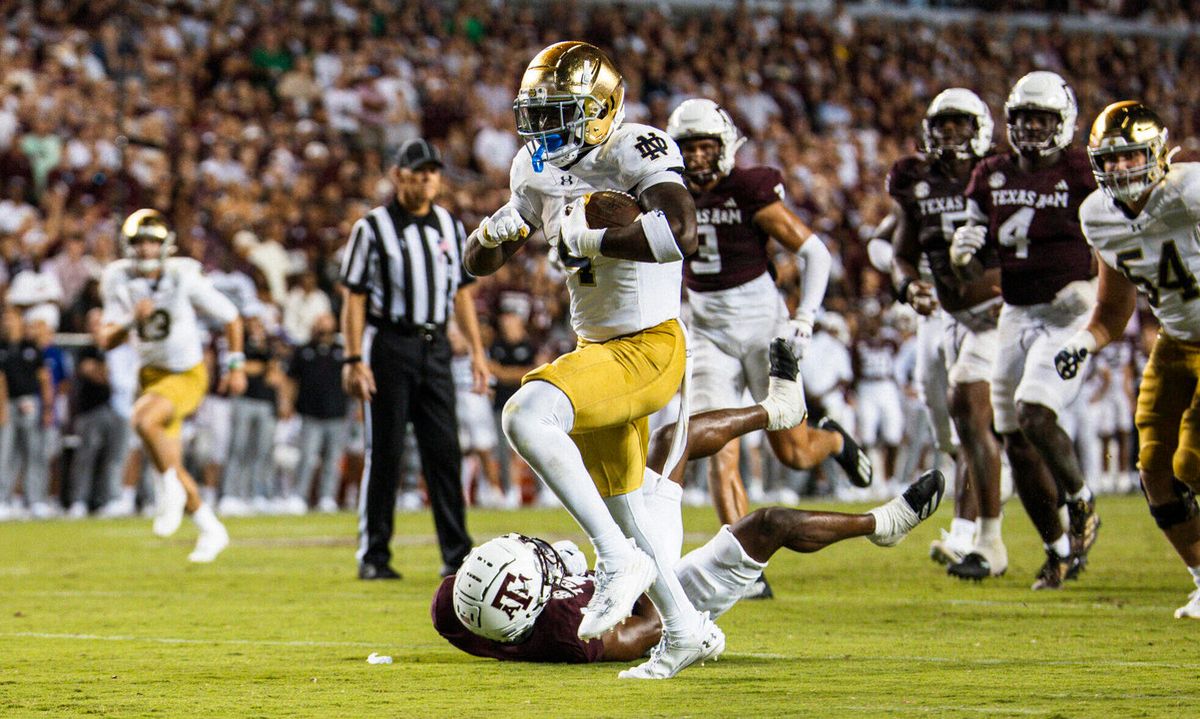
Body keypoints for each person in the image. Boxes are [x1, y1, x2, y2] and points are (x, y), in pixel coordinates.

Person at [465, 42, 781, 679]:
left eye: (560, 113)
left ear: (602, 109)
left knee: (527, 413)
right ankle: (686, 630)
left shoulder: (637, 146)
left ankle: (612, 562)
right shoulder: (533, 168)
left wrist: (595, 237)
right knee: (626, 511)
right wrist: (485, 240)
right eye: (539, 113)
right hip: (599, 348)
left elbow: (682, 234)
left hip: (651, 344)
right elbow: (478, 265)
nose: (544, 128)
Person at [431, 339, 945, 664]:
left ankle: (776, 409)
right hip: (656, 596)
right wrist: (658, 584)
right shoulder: (576, 634)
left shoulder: (460, 605)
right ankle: (885, 523)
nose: (545, 553)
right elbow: (654, 622)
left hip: (612, 577)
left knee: (672, 439)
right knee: (769, 523)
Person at [665, 99, 872, 591]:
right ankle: (742, 567)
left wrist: (805, 318)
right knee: (719, 446)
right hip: (708, 331)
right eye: (687, 147)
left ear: (724, 147)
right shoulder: (666, 193)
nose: (695, 157)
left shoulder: (749, 188)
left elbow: (814, 252)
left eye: (704, 146)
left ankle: (835, 440)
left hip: (764, 328)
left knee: (795, 453)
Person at [949, 71, 1100, 590]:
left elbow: (1117, 231)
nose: (1032, 128)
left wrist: (1095, 283)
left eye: (1042, 118)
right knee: (1012, 437)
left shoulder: (1084, 170)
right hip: (1015, 310)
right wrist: (963, 255)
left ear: (1065, 122)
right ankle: (1056, 550)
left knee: (1036, 412)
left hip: (1069, 312)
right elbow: (972, 264)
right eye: (1024, 118)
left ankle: (1082, 502)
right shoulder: (990, 173)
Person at [1054, 101, 1200, 617]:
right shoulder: (1097, 215)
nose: (1120, 170)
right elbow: (1113, 309)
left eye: (1131, 157)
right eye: (1110, 162)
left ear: (1158, 153)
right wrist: (1080, 343)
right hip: (1178, 342)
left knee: (1192, 462)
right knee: (1155, 470)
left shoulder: (1191, 190)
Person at [339, 138, 490, 580]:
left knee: (444, 451)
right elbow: (354, 297)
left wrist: (477, 352)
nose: (426, 178)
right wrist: (353, 358)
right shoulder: (372, 227)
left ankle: (457, 554)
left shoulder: (449, 224)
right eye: (417, 171)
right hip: (390, 344)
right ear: (398, 175)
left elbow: (462, 294)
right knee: (384, 451)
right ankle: (374, 556)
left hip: (436, 346)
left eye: (432, 172)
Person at [885, 88, 1007, 579]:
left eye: (961, 126)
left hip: (998, 311)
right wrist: (907, 286)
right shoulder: (915, 181)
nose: (951, 136)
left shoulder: (1002, 177)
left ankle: (972, 530)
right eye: (943, 126)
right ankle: (983, 510)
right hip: (940, 313)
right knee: (947, 426)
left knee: (974, 417)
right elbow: (900, 250)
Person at [98, 209, 244, 562]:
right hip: (150, 376)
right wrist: (133, 320)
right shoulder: (116, 278)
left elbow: (231, 317)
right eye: (139, 242)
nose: (146, 249)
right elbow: (105, 339)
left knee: (142, 421)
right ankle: (211, 529)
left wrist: (235, 366)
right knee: (170, 462)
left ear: (166, 246)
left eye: (153, 242)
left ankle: (168, 492)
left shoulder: (183, 274)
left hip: (186, 373)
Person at [286, 312, 349, 513]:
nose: (323, 324)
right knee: (306, 457)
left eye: (327, 319)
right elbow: (292, 380)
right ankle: (299, 496)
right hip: (310, 412)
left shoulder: (343, 350)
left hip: (338, 413)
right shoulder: (304, 350)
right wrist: (287, 403)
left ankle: (327, 497)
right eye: (319, 319)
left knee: (333, 459)